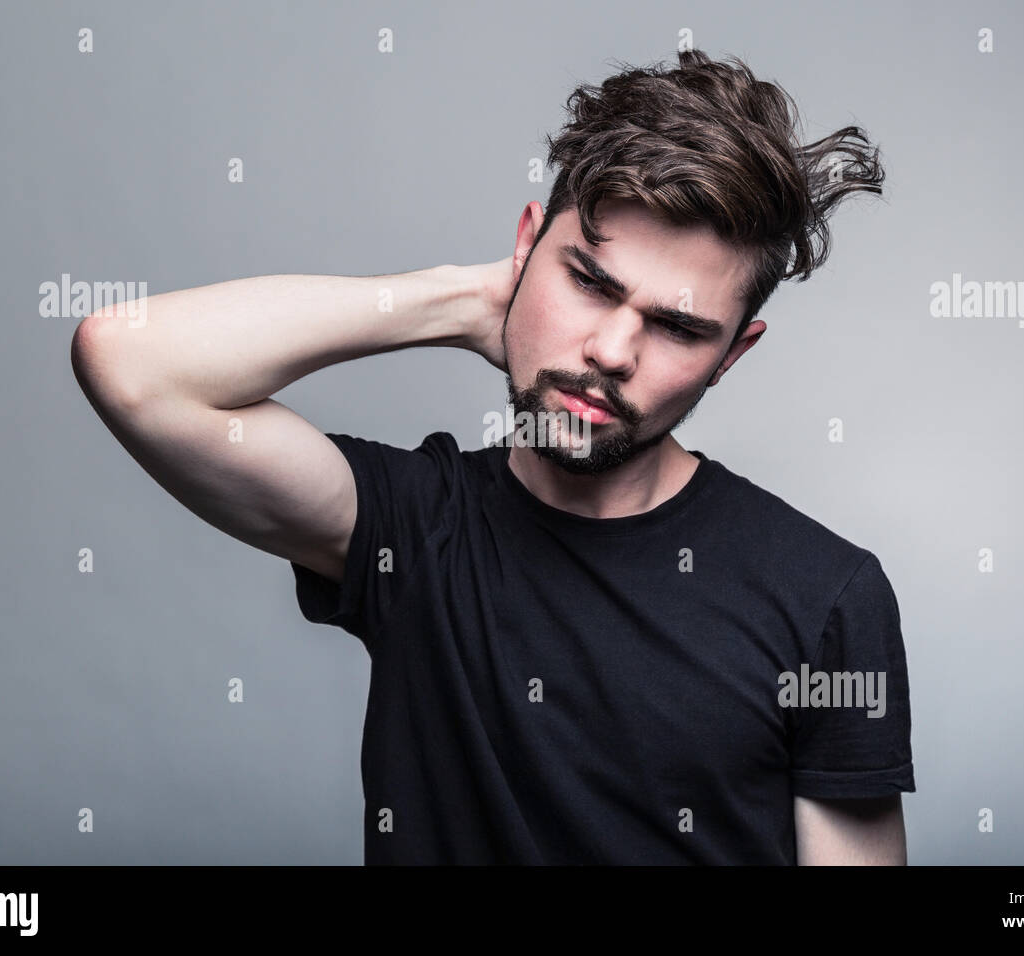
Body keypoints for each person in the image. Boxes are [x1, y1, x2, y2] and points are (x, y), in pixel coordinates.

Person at [70, 49, 914, 865]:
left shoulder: (828, 596)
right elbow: (131, 362)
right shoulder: (413, 528)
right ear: (524, 250)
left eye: (678, 326)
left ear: (731, 355)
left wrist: (549, 297)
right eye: (587, 281)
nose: (612, 351)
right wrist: (462, 302)